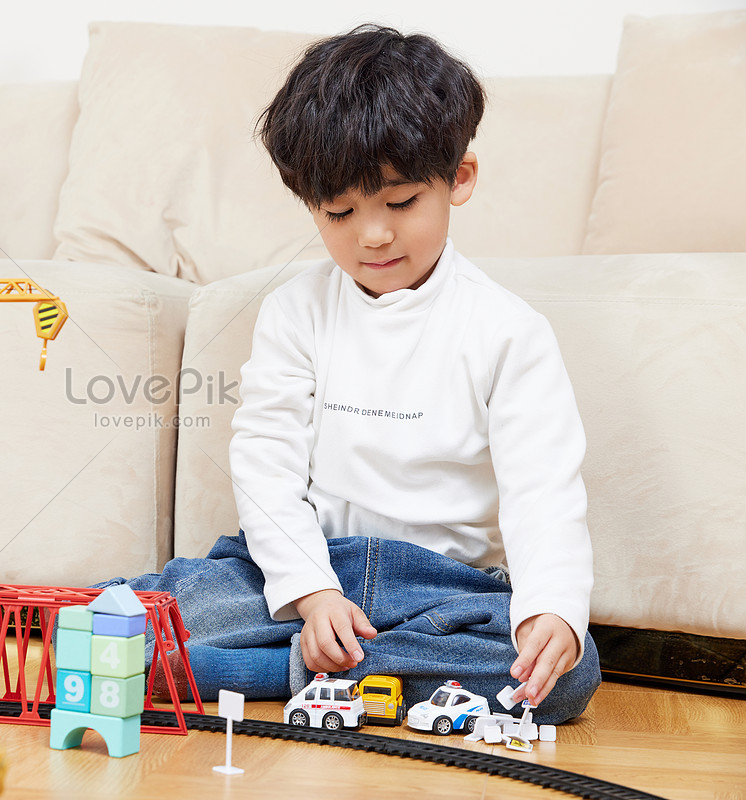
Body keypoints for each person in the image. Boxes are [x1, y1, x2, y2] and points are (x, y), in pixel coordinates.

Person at [100, 24, 600, 724]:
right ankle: (355, 663)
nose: (372, 235)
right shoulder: (294, 312)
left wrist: (551, 614)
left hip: (442, 589)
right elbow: (267, 465)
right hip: (310, 565)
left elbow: (543, 492)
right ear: (311, 203)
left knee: (569, 678)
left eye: (400, 204)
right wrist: (311, 593)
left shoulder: (509, 331)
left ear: (458, 178)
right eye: (340, 212)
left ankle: (293, 668)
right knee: (129, 620)